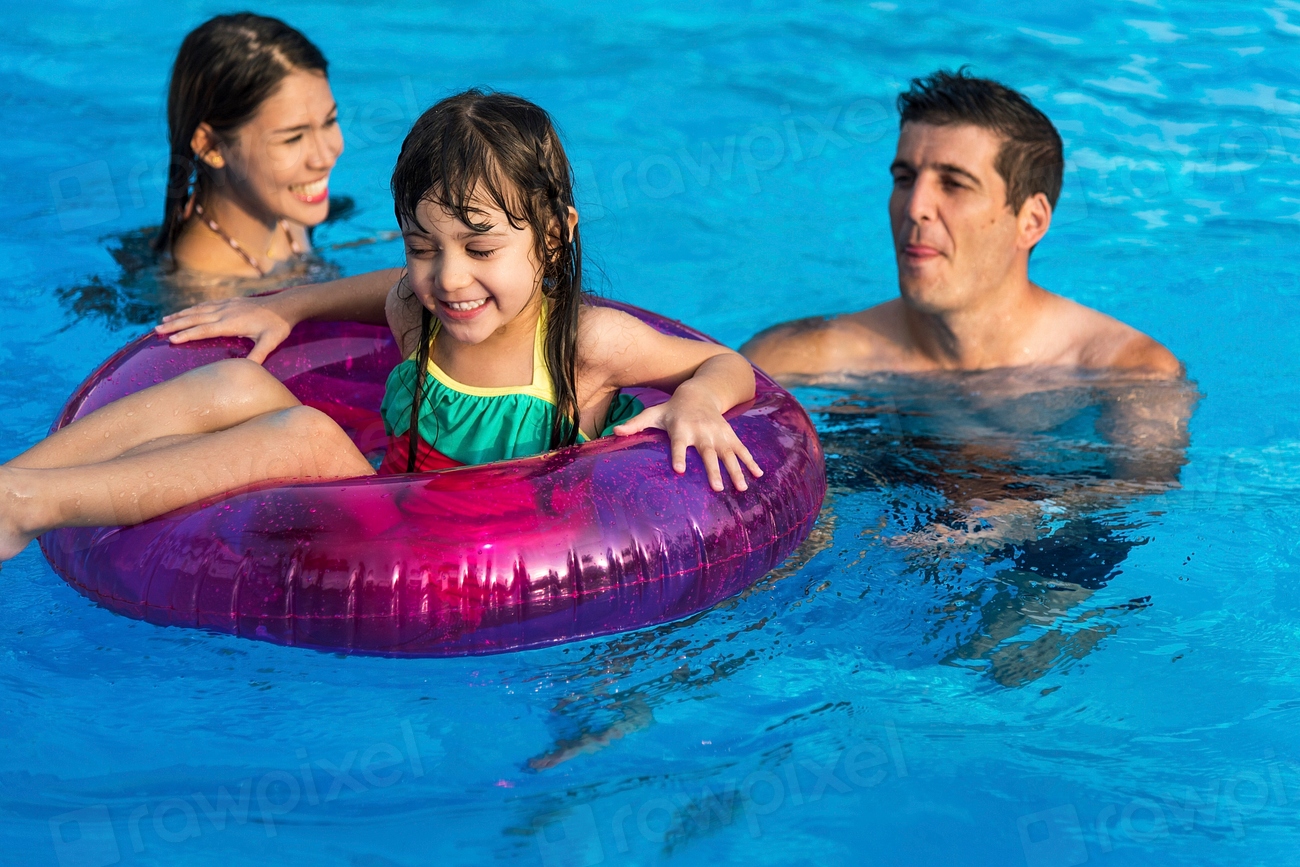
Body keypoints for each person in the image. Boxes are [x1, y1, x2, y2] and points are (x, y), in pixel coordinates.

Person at [0, 90, 761, 561]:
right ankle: (17, 480)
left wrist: (697, 400)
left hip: (476, 558)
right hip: (387, 515)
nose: (449, 278)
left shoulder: (588, 345)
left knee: (307, 436)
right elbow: (381, 289)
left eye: (481, 248)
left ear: (555, 236)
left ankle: (39, 506)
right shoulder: (416, 308)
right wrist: (286, 304)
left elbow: (726, 363)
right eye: (423, 247)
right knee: (237, 378)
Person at [741, 69, 1182, 381]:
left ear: (1031, 221)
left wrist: (1026, 513)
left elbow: (1140, 495)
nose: (915, 208)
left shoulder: (1128, 372)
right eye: (904, 179)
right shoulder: (791, 357)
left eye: (953, 184)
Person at [155, 13, 343, 280]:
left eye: (330, 121)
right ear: (210, 146)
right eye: (292, 138)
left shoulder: (282, 208)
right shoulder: (210, 294)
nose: (325, 157)